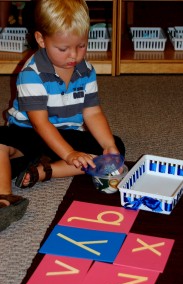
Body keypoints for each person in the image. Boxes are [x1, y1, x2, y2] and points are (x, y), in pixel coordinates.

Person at [0, 0, 125, 231]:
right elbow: (40, 123)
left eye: (81, 46)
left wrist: (107, 145)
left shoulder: (85, 70)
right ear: (41, 40)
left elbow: (93, 111)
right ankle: (5, 198)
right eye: (63, 49)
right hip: (29, 132)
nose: (74, 56)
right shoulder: (32, 74)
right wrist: (69, 154)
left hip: (66, 134)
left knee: (115, 146)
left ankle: (45, 171)